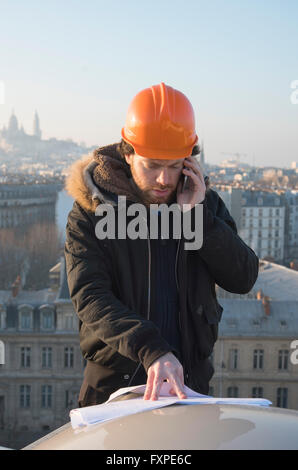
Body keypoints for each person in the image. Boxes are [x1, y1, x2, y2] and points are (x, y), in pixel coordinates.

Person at [64, 82, 259, 407]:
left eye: (174, 166)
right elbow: (90, 297)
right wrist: (151, 349)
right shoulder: (92, 212)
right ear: (127, 154)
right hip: (115, 389)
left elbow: (243, 278)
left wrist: (197, 217)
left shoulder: (203, 206)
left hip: (189, 386)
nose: (165, 180)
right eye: (152, 165)